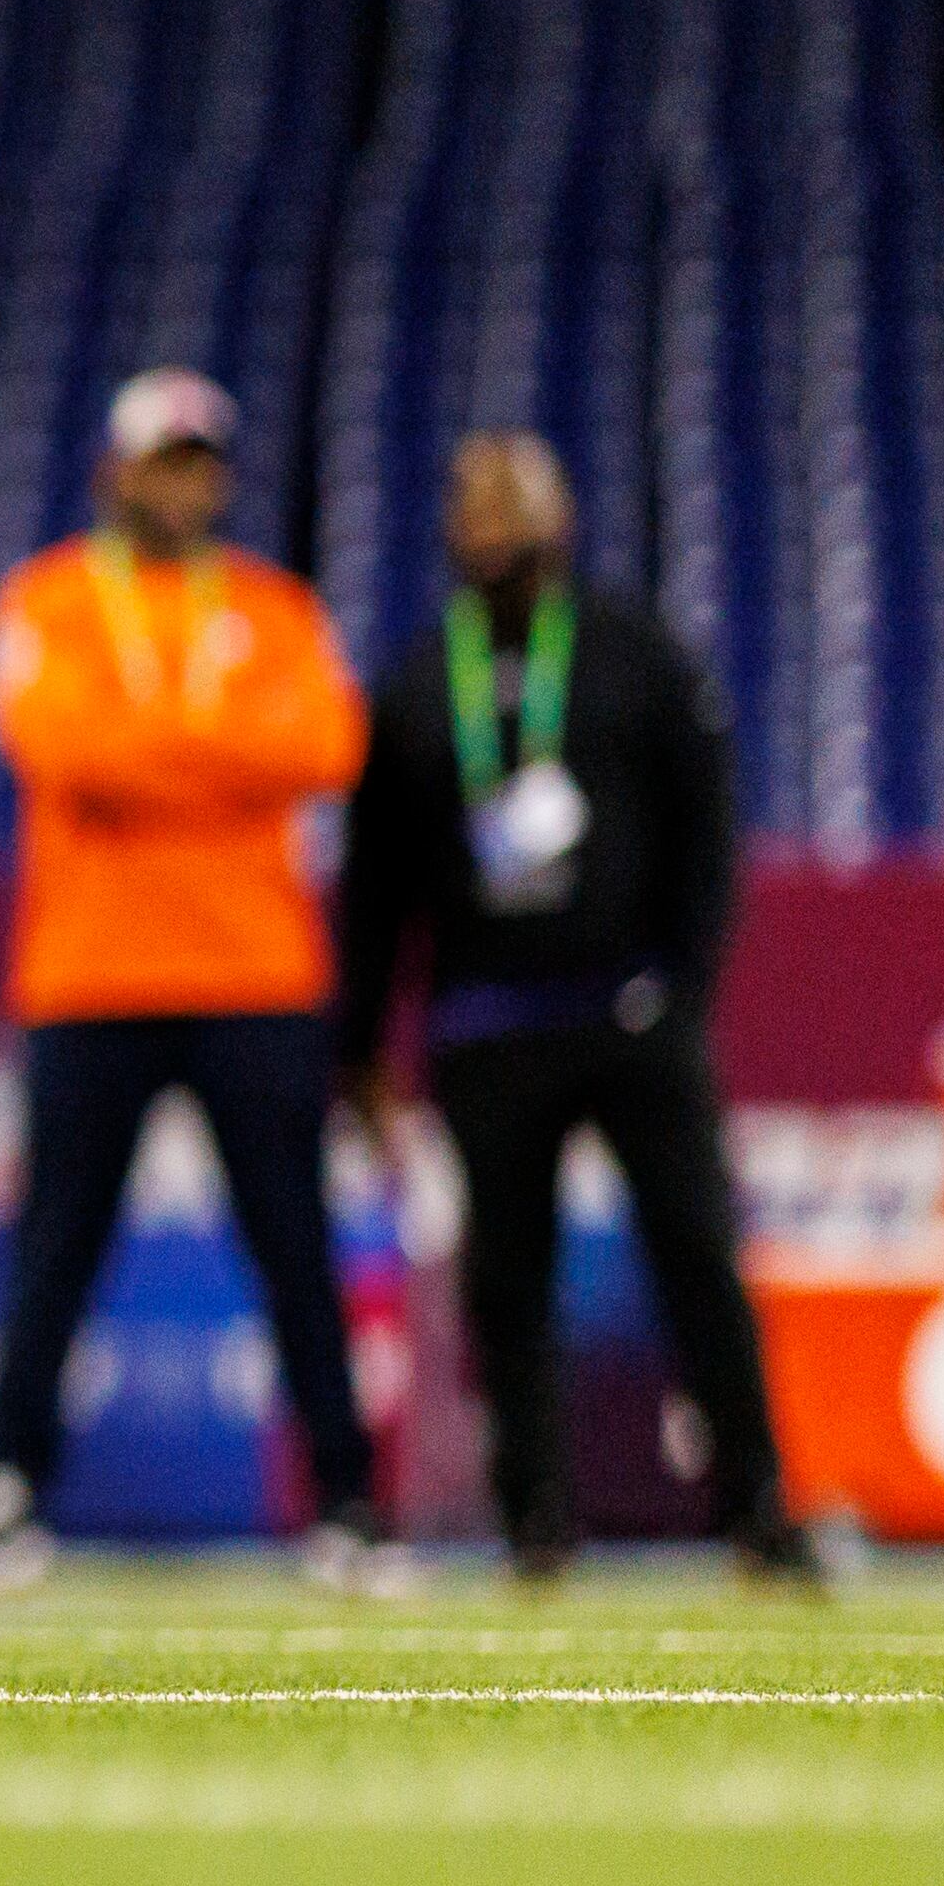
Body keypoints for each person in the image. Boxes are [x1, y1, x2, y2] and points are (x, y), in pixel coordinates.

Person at [332, 431, 821, 1588]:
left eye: (517, 495)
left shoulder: (630, 652)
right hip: (484, 1025)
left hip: (626, 1013)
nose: (494, 519)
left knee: (695, 1251)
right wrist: (358, 1044)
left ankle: (756, 1505)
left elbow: (706, 825)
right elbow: (371, 883)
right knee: (504, 1279)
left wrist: (682, 989)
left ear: (561, 513)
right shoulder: (413, 680)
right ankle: (533, 1521)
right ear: (448, 526)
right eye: (473, 498)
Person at [0, 368, 391, 1591]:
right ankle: (5, 1492)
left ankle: (348, 1500)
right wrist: (222, 759)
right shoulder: (44, 598)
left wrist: (148, 757)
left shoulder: (274, 606)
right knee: (54, 1245)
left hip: (253, 973)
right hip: (89, 977)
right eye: (161, 458)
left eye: (200, 460)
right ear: (113, 471)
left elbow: (324, 745)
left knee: (294, 1245)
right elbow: (58, 748)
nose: (179, 481)